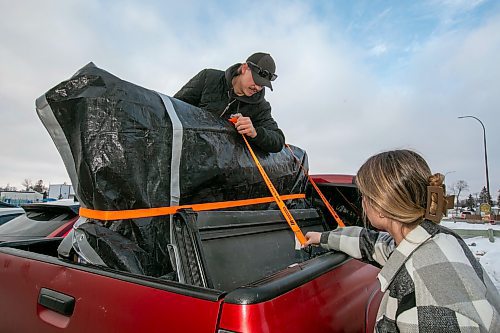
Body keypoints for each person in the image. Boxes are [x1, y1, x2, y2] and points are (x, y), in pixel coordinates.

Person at [304, 149, 500, 332]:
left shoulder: (425, 304)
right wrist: (323, 237)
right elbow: (373, 244)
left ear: (380, 208)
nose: (362, 202)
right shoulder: (437, 240)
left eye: (364, 196)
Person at [174, 52, 285, 153]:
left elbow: (279, 141)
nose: (257, 87)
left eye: (262, 85)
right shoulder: (208, 78)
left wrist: (255, 133)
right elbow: (174, 108)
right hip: (183, 150)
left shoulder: (260, 107)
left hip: (221, 167)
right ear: (244, 68)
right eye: (256, 80)